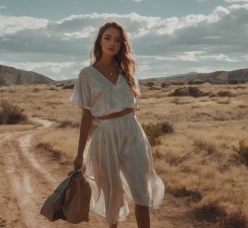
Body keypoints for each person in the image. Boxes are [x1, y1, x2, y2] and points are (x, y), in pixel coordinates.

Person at [70, 21, 165, 228]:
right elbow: (87, 115)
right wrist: (79, 154)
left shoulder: (126, 70)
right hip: (105, 134)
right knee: (112, 195)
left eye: (117, 39)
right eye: (107, 38)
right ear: (99, 41)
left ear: (122, 44)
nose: (112, 43)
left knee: (141, 191)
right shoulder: (87, 74)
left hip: (132, 130)